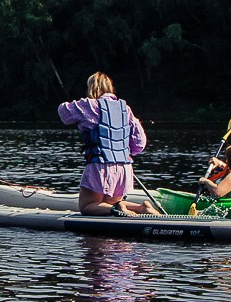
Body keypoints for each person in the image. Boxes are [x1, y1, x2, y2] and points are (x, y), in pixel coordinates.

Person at [57, 72, 158, 216]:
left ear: (91, 88)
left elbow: (64, 113)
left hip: (100, 165)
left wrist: (79, 102)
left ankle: (118, 208)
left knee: (86, 206)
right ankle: (141, 208)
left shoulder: (89, 105)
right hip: (124, 168)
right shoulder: (126, 109)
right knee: (109, 204)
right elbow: (139, 143)